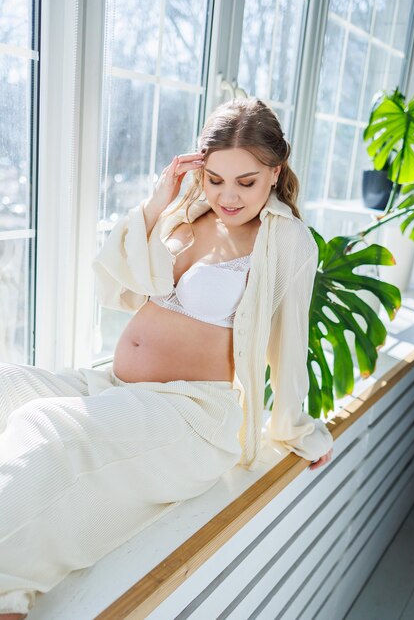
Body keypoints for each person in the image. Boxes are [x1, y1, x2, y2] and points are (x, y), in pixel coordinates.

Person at [0, 97, 333, 619]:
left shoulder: (286, 241)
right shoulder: (187, 210)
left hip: (192, 413)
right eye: (217, 178)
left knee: (43, 426)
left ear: (275, 171)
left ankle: (6, 594)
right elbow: (118, 281)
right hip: (114, 384)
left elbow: (288, 343)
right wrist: (160, 199)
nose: (229, 195)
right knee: (5, 386)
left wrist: (295, 430)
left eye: (246, 181)